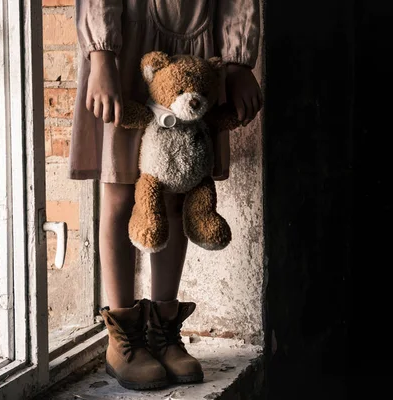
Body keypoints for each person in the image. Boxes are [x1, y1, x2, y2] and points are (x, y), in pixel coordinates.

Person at [69, 0, 262, 391]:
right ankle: (123, 339)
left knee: (177, 189)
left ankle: (163, 332)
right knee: (121, 194)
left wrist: (239, 63)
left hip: (191, 52)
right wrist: (102, 53)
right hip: (125, 44)